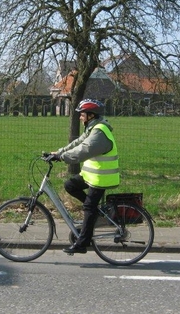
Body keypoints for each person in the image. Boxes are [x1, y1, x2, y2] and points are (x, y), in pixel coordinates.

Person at [51, 99, 120, 254]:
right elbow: (78, 142)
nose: (80, 117)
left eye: (82, 114)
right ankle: (95, 212)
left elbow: (84, 150)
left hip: (102, 178)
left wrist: (63, 158)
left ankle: (82, 243)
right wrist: (59, 152)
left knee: (88, 207)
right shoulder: (92, 128)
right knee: (70, 185)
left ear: (91, 115)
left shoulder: (99, 132)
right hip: (92, 175)